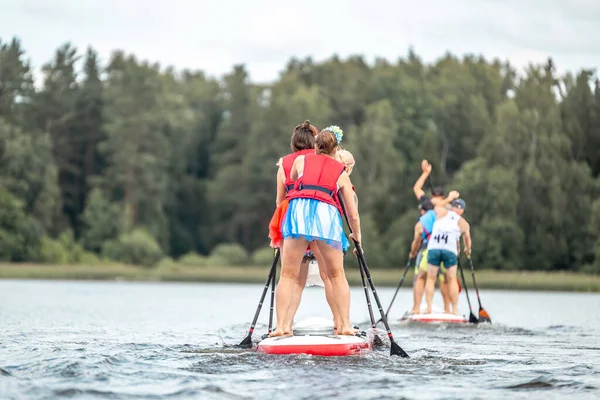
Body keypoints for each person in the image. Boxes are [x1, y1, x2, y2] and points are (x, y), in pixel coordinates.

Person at [270, 127, 361, 337]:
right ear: (335, 148)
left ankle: (282, 327)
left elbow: (293, 178)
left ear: (316, 145)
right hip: (325, 214)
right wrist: (357, 237)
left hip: (298, 211)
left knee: (288, 274)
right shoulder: (340, 171)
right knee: (336, 274)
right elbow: (352, 214)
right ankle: (345, 326)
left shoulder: (300, 162)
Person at [410, 160, 459, 314]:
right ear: (443, 196)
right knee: (446, 278)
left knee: (421, 277)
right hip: (447, 246)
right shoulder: (448, 208)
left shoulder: (428, 202)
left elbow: (417, 188)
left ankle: (418, 308)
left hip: (428, 248)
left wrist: (425, 173)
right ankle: (449, 310)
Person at [425, 198, 471, 315]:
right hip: (450, 250)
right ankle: (454, 310)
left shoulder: (441, 212)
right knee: (451, 279)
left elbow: (434, 203)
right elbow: (467, 240)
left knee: (431, 278)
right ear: (462, 211)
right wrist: (467, 250)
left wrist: (448, 198)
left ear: (452, 207)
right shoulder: (464, 223)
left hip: (434, 248)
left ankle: (429, 308)